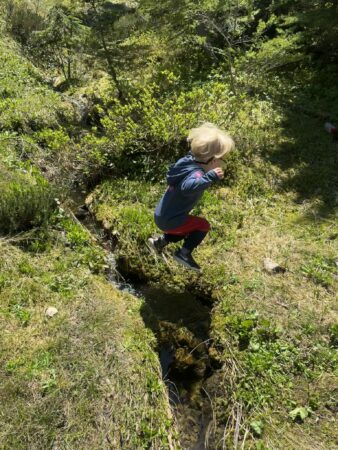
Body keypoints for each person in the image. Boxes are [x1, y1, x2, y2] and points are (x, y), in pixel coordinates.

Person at [148, 122, 235, 271]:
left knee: (187, 230)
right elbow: (187, 187)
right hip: (171, 221)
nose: (223, 163)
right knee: (202, 226)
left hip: (162, 215)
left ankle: (160, 242)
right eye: (223, 160)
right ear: (214, 161)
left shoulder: (186, 161)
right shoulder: (197, 174)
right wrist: (210, 177)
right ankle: (184, 254)